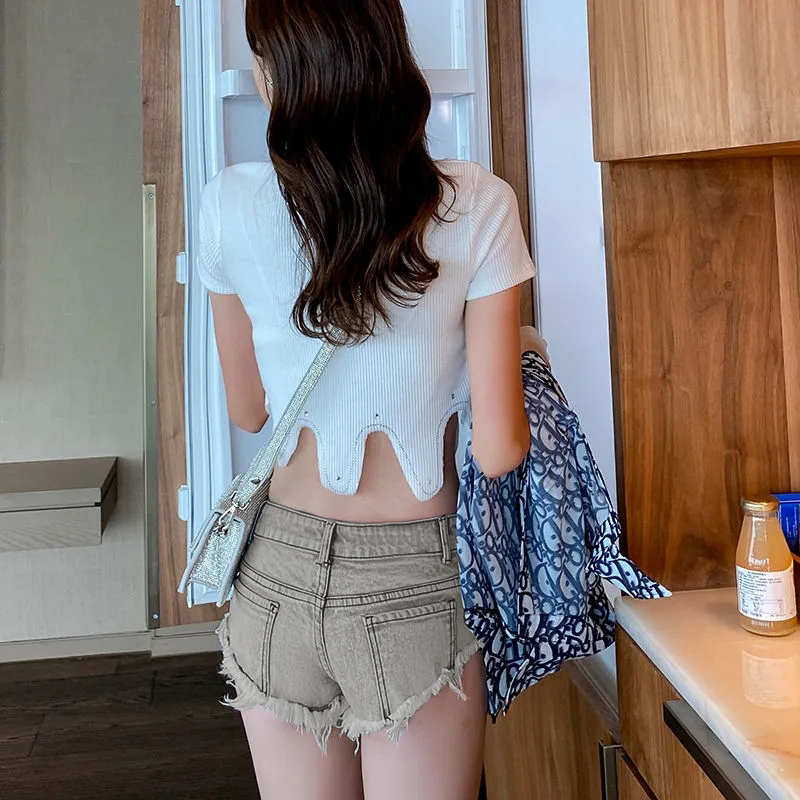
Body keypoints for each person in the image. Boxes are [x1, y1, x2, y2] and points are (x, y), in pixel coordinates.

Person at [197, 1, 535, 797]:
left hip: (274, 573)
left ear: (280, 71)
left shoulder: (228, 203)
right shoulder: (478, 203)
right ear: (386, 54)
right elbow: (499, 450)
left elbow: (248, 410)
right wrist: (517, 350)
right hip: (413, 580)